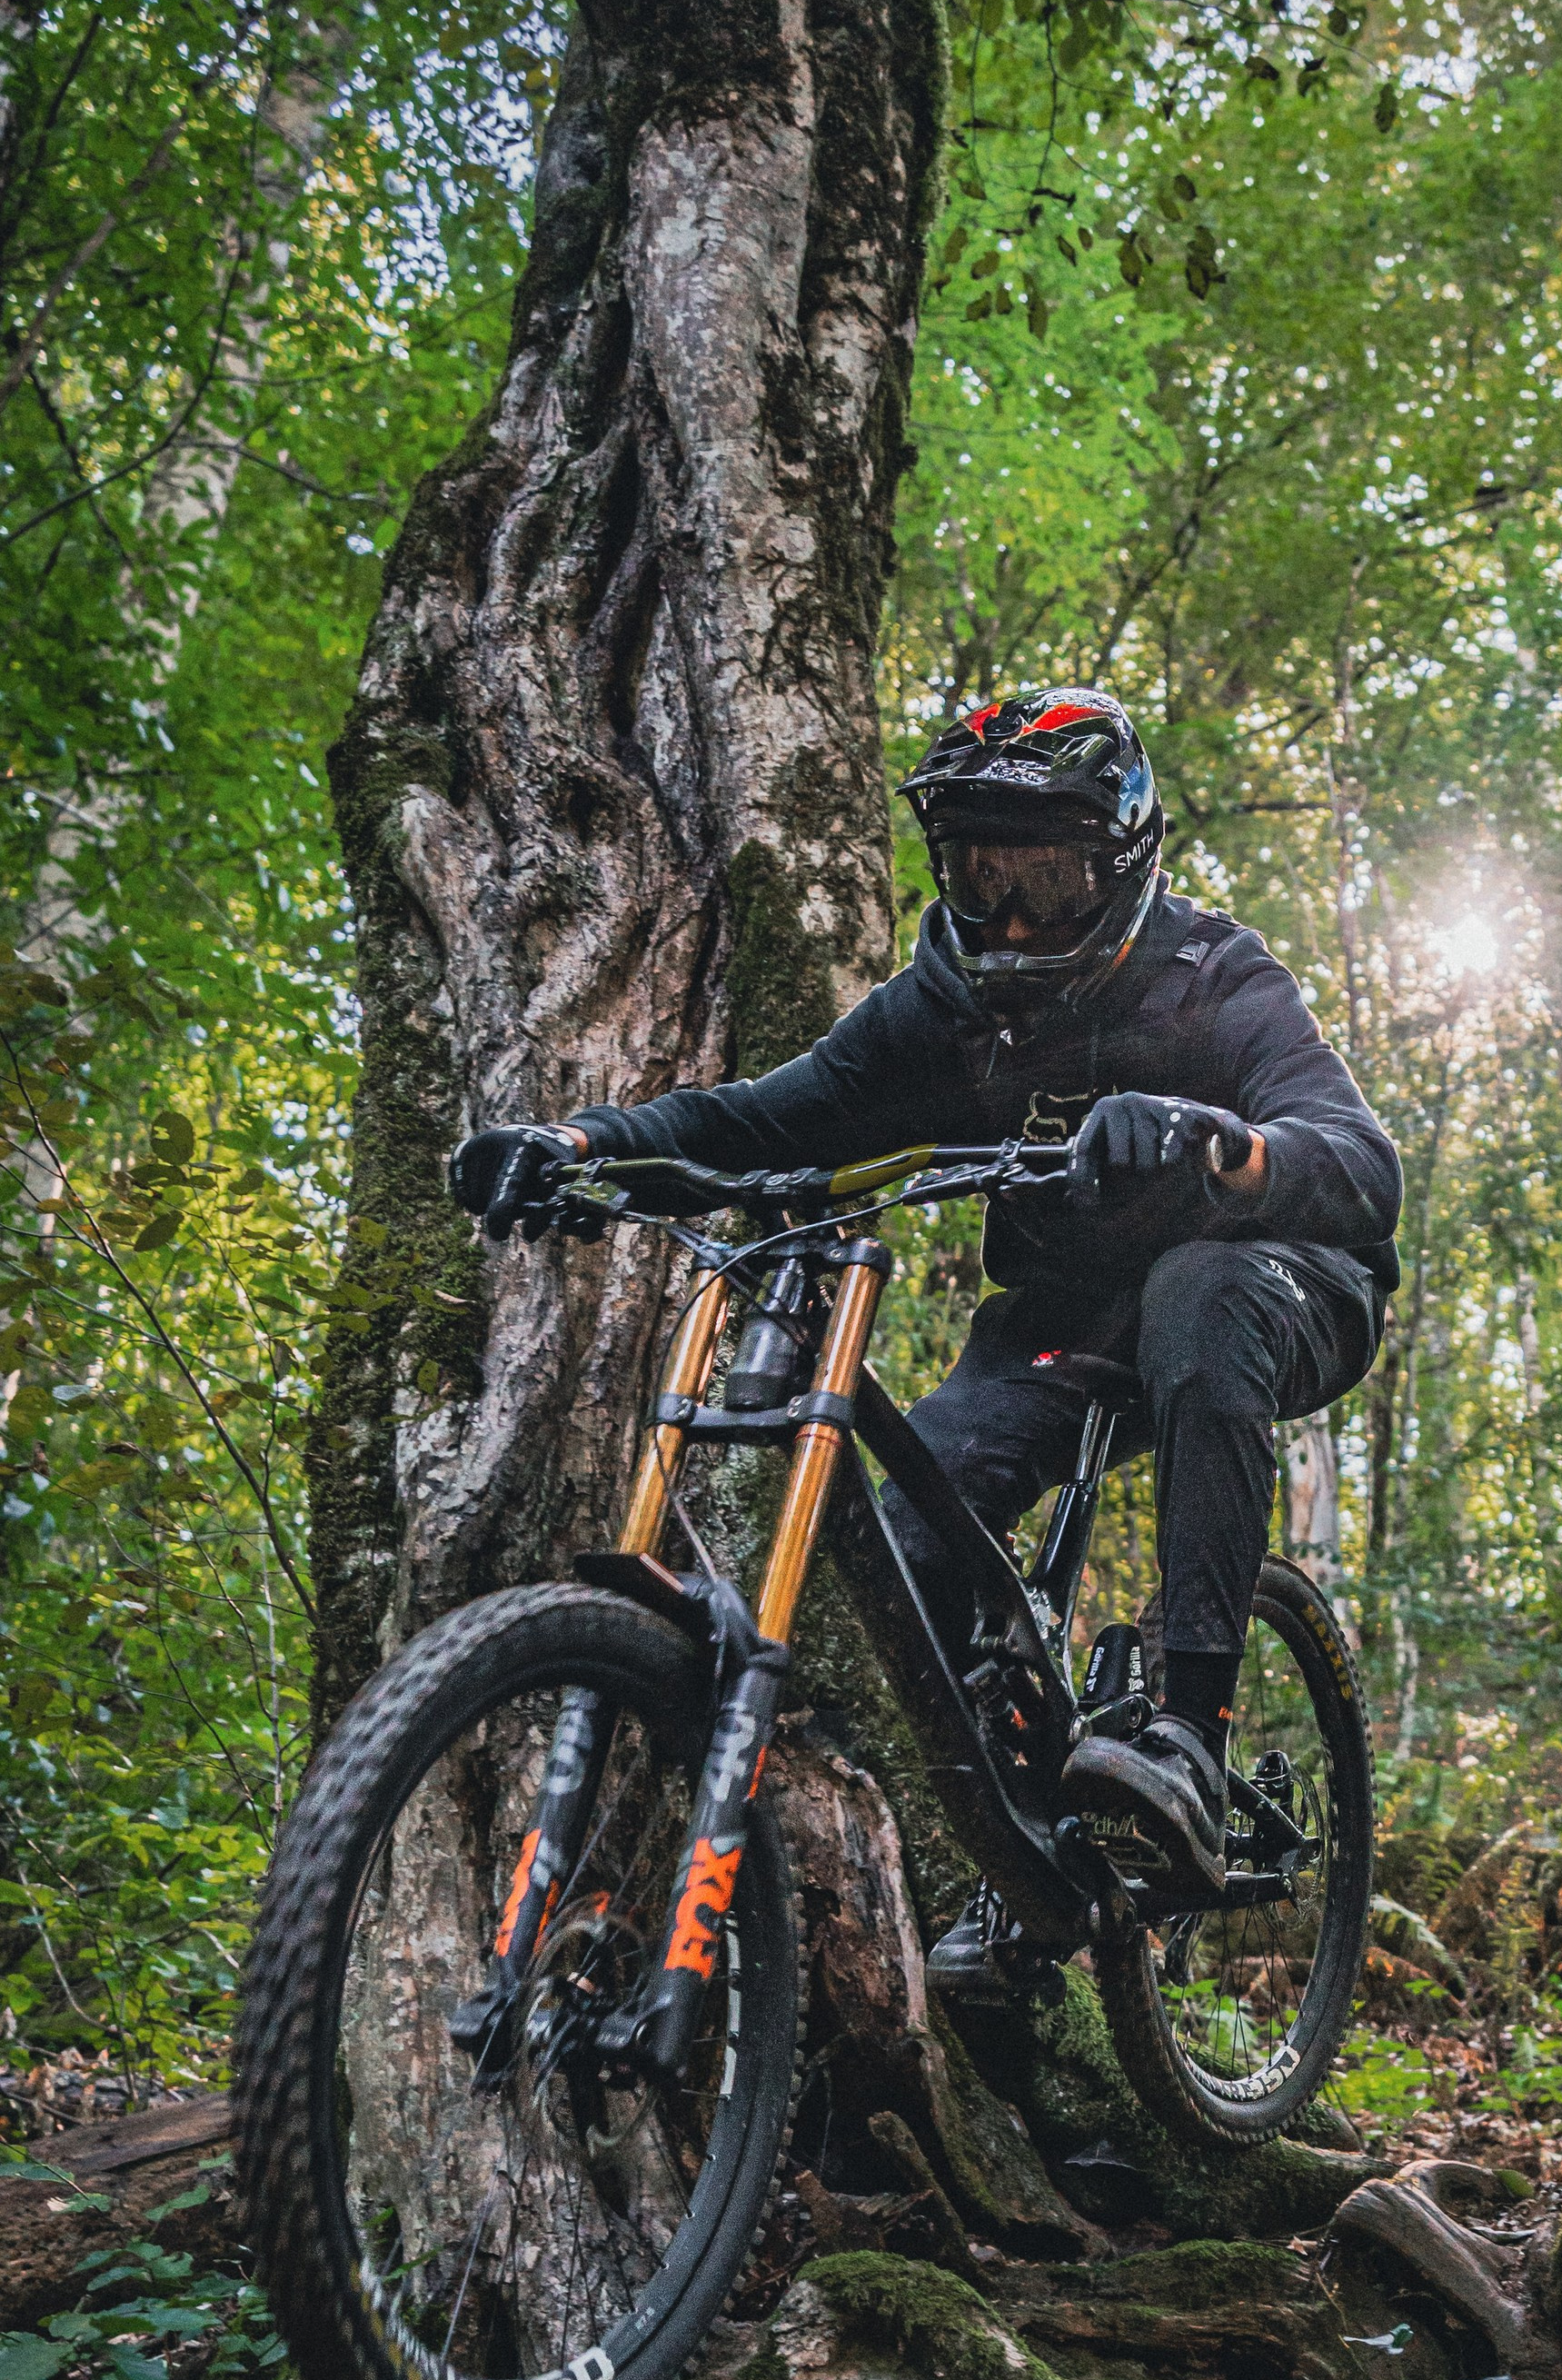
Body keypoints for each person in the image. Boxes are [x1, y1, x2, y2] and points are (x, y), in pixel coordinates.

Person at [451, 684, 1402, 1995]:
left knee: (1199, 1291)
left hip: (1283, 1283)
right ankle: (1019, 1886)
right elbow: (763, 1121)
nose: (1010, 913)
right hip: (1069, 1322)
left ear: (1120, 862)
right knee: (915, 1525)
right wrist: (580, 1146)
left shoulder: (1212, 975)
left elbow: (1360, 1161)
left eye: (1049, 876)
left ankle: (1188, 1732)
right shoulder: (943, 1002)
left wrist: (1221, 1146)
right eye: (979, 871)